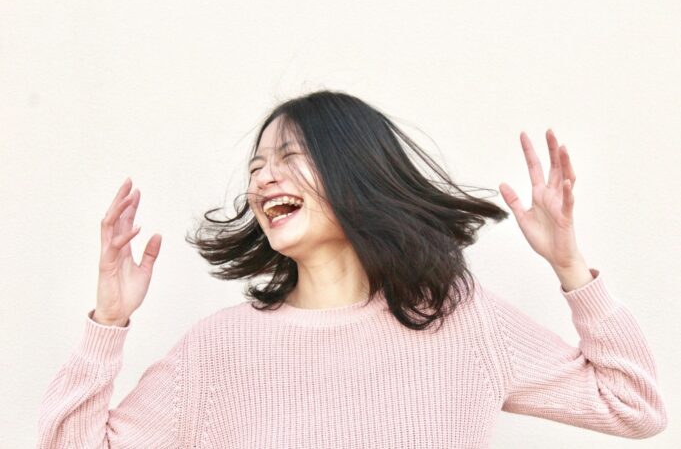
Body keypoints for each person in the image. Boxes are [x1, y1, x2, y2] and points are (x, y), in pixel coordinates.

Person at [36, 90, 667, 448]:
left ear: (356, 174)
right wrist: (108, 323)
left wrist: (572, 267)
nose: (263, 177)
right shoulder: (217, 350)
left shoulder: (461, 321)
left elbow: (634, 406)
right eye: (257, 167)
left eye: (289, 156)